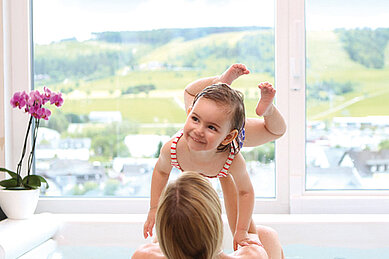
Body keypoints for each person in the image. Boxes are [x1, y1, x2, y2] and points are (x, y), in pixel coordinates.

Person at [144, 64, 286, 249]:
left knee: (276, 131)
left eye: (211, 128)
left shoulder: (231, 158)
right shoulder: (173, 148)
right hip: (207, 114)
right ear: (188, 115)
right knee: (190, 93)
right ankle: (221, 82)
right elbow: (161, 172)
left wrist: (241, 231)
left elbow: (245, 192)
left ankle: (268, 110)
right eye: (194, 119)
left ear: (228, 137)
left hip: (228, 136)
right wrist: (154, 208)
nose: (199, 131)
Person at [133, 171, 285, 259]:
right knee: (265, 235)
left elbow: (169, 232)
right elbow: (248, 234)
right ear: (217, 221)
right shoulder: (254, 256)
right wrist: (224, 168)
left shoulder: (143, 255)